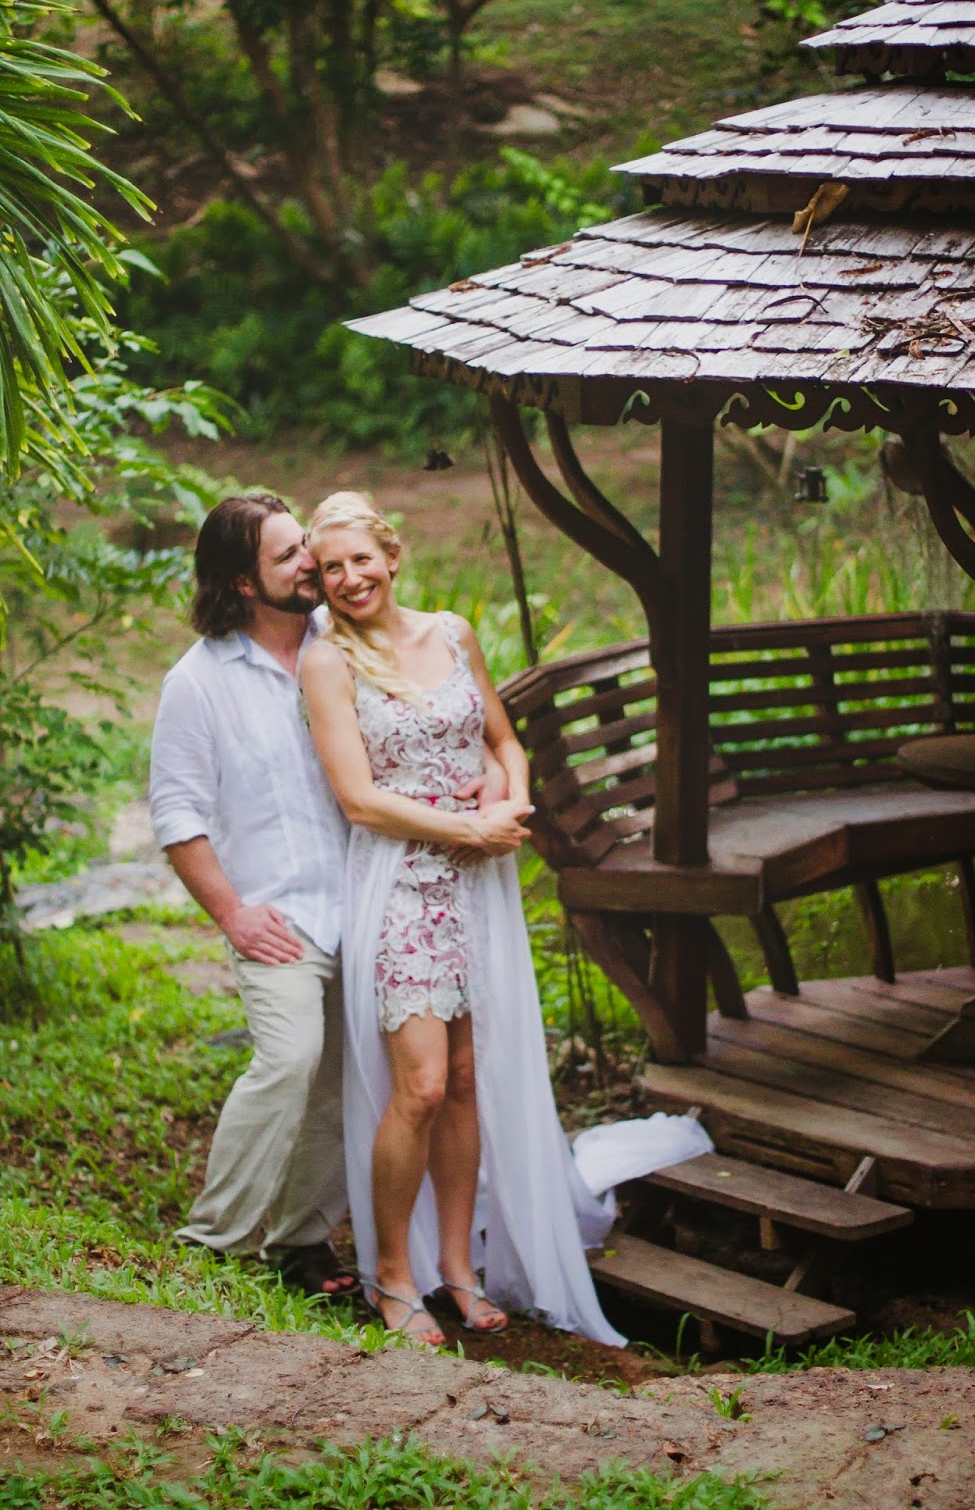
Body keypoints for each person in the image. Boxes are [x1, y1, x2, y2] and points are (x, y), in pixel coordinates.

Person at [300, 490, 623, 1348]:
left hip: (481, 881)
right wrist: (467, 827)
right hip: (402, 881)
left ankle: (457, 1266)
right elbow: (360, 801)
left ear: (392, 555)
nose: (349, 578)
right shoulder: (328, 661)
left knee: (472, 1081)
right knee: (423, 1087)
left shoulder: (451, 632)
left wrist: (509, 804)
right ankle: (393, 1277)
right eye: (331, 568)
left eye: (360, 559)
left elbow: (506, 741)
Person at [149, 493, 359, 1296]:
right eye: (287, 556)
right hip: (279, 916)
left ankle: (303, 1243)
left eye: (304, 545)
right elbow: (176, 815)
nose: (310, 563)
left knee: (348, 1079)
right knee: (290, 1059)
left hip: (368, 905)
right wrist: (232, 913)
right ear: (242, 583)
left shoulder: (340, 648)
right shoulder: (197, 683)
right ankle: (214, 1239)